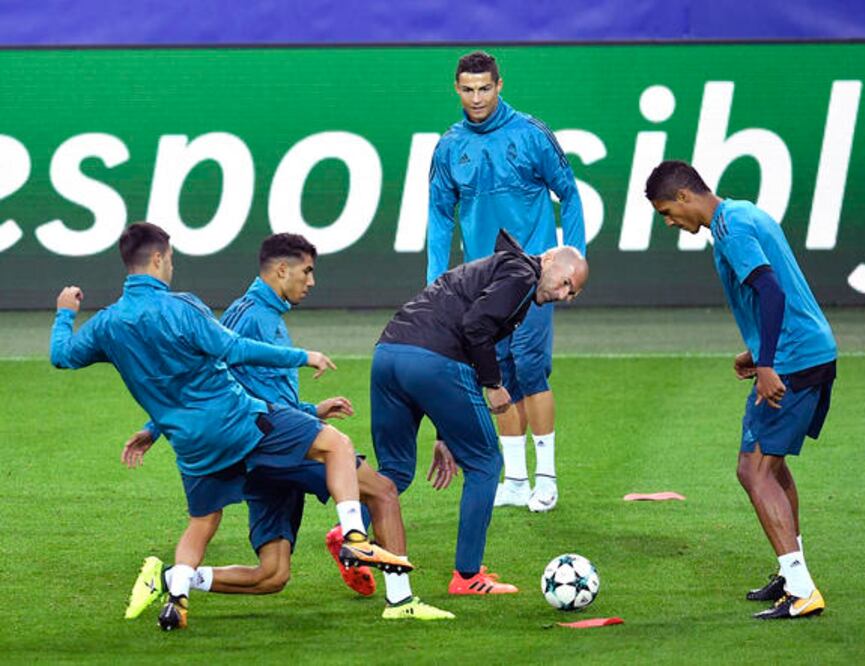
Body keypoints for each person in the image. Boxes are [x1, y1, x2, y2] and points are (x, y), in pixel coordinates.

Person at [50, 222, 409, 631]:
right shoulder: (186, 307)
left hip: (194, 449)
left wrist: (65, 312)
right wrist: (301, 356)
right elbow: (232, 350)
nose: (172, 266)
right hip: (244, 428)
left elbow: (62, 355)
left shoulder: (106, 323)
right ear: (158, 258)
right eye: (170, 259)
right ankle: (364, 552)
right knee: (350, 459)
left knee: (247, 556)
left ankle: (176, 583)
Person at [120, 232, 452, 621]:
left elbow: (238, 387)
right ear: (282, 270)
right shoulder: (249, 317)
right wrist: (155, 427)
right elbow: (199, 378)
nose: (311, 282)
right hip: (274, 447)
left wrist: (311, 410)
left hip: (269, 447)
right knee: (382, 492)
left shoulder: (261, 314)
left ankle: (170, 578)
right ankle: (401, 601)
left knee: (272, 574)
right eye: (307, 272)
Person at [644, 161, 836, 620]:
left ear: (686, 197)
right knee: (771, 464)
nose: (670, 222)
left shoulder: (730, 230)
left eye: (667, 212)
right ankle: (791, 573)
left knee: (754, 471)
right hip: (806, 350)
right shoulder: (742, 213)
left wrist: (767, 361)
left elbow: (771, 292)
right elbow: (777, 289)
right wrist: (755, 351)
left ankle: (802, 589)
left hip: (793, 360)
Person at [373, 229, 588, 594]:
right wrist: (494, 383)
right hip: (433, 361)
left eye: (573, 293)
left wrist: (445, 434)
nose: (565, 296)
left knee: (395, 471)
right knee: (486, 464)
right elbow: (475, 328)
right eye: (567, 283)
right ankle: (468, 576)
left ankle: (351, 532)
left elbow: (464, 325)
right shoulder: (522, 276)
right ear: (549, 260)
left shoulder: (498, 269)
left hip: (388, 354)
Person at [427, 50, 587, 513]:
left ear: (500, 86)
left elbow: (569, 192)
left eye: (485, 88)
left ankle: (547, 479)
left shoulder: (531, 135)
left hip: (532, 279)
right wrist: (436, 279)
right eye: (468, 89)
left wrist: (573, 258)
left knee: (532, 371)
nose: (477, 97)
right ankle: (516, 480)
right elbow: (439, 216)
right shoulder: (448, 146)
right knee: (495, 375)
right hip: (482, 282)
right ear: (456, 89)